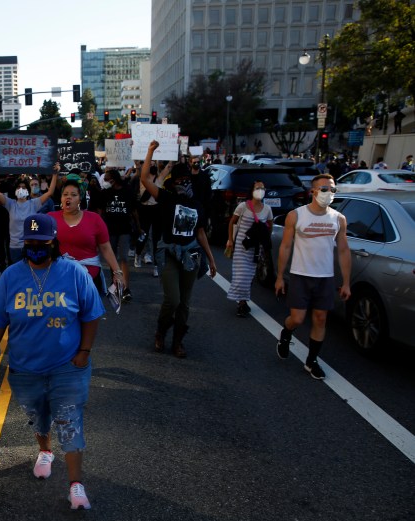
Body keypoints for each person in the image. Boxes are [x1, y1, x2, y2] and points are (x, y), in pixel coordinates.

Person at [0, 214, 104, 510]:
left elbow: (91, 314)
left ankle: (76, 486)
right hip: (26, 369)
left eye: (42, 242)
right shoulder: (11, 276)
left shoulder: (74, 273)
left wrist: (84, 351)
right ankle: (45, 450)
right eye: (30, 242)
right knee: (39, 416)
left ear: (54, 242)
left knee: (69, 419)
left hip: (67, 366)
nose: (35, 247)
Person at [141, 141, 217, 358]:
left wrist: (211, 259)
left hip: (191, 254)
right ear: (172, 184)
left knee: (185, 303)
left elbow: (200, 232)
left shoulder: (197, 205)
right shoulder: (166, 198)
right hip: (169, 253)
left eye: (187, 180)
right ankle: (161, 331)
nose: (184, 183)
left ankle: (178, 342)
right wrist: (150, 152)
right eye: (179, 181)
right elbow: (145, 179)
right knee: (172, 300)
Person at [274, 174, 351, 380]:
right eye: (324, 189)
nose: (329, 193)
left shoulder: (338, 219)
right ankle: (286, 333)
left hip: (325, 277)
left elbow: (343, 250)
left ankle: (311, 361)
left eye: (332, 190)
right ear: (313, 192)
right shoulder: (296, 215)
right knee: (297, 319)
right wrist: (280, 276)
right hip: (300, 275)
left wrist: (346, 282)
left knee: (320, 318)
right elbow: (286, 246)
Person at [48, 179, 123, 295]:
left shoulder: (94, 219)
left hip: (90, 279)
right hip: (60, 278)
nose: (68, 198)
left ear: (80, 198)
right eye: (65, 194)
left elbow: (106, 248)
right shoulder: (50, 219)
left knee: (88, 312)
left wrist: (117, 272)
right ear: (61, 198)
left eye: (73, 195)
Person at [0, 162, 58, 263]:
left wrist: (55, 174)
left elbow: (50, 192)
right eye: (18, 187)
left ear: (28, 191)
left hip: (30, 244)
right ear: (15, 190)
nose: (21, 189)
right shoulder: (10, 204)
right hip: (14, 246)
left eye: (24, 187)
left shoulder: (34, 203)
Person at [226, 181, 273, 317]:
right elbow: (232, 222)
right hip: (241, 246)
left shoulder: (267, 209)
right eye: (258, 188)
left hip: (255, 248)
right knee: (240, 275)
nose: (260, 190)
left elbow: (269, 225)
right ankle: (241, 302)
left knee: (249, 276)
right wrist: (230, 240)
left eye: (263, 188)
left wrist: (264, 242)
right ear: (252, 190)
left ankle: (243, 300)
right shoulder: (243, 206)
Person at [100, 169, 138, 301]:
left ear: (113, 179)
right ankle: (116, 284)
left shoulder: (127, 191)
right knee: (113, 259)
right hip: (109, 229)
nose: (104, 181)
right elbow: (101, 210)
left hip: (124, 229)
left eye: (106, 179)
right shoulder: (105, 193)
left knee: (124, 258)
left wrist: (139, 227)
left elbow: (134, 210)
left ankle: (126, 288)